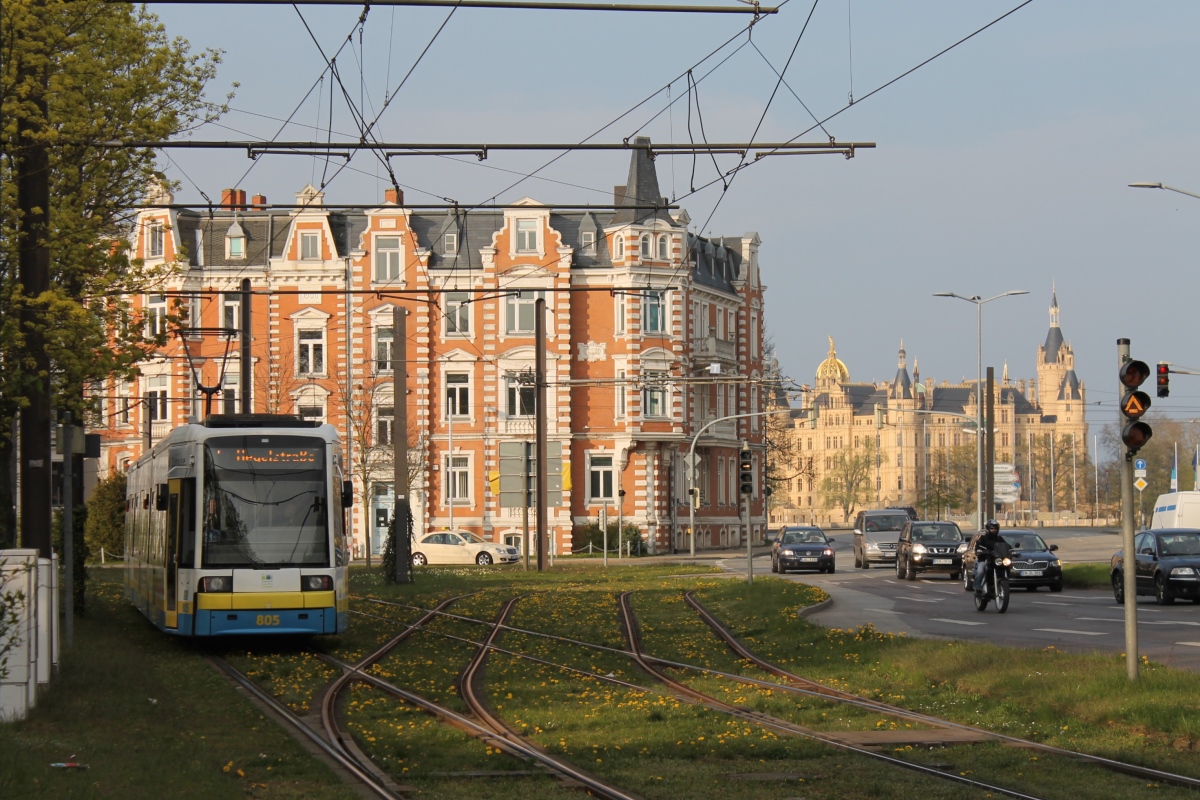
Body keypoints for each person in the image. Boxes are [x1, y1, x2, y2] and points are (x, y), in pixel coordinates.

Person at [974, 519, 1002, 590]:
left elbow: (1006, 546)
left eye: (995, 528)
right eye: (992, 528)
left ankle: (1002, 583)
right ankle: (978, 587)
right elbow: (978, 546)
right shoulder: (983, 538)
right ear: (988, 529)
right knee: (980, 571)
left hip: (995, 560)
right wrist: (979, 550)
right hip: (984, 559)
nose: (994, 530)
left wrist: (1012, 551)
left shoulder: (999, 538)